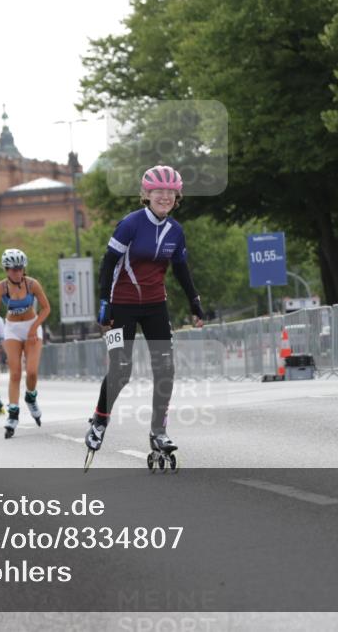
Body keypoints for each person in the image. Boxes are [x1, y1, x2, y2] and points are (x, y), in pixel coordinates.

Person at [84, 165, 205, 463]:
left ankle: (158, 431)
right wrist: (103, 303)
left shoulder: (176, 231)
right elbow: (108, 263)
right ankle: (100, 420)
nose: (164, 197)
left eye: (170, 192)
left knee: (165, 370)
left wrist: (195, 302)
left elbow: (180, 269)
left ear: (177, 197)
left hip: (155, 305)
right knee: (121, 370)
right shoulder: (130, 224)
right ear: (146, 194)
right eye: (158, 192)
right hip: (120, 305)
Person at [0, 248, 51, 438]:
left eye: (20, 268)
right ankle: (13, 414)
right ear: (6, 269)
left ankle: (31, 397)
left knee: (31, 371)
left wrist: (34, 328)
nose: (17, 272)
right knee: (15, 373)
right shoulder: (0, 288)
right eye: (13, 269)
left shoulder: (32, 284)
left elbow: (46, 309)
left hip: (32, 326)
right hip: (12, 329)